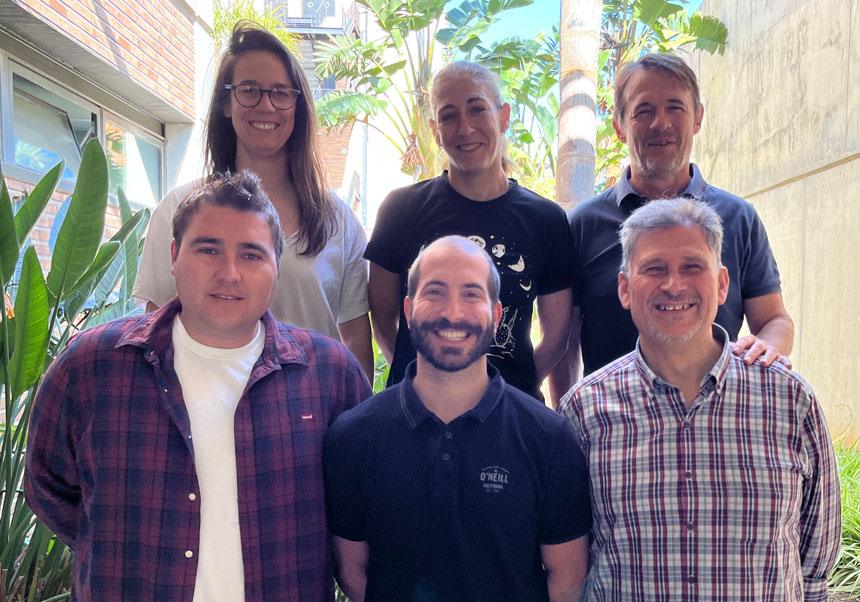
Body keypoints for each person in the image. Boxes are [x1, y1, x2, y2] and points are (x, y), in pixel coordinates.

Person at [25, 171, 372, 602]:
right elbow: (49, 488)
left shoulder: (331, 376)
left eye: (251, 255)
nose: (229, 273)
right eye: (208, 249)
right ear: (173, 255)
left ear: (276, 268)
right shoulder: (91, 366)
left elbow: (359, 504)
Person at [558, 198, 840, 601]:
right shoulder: (584, 412)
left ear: (722, 283)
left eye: (692, 266)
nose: (674, 285)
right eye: (654, 268)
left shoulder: (790, 402)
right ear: (624, 288)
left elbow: (815, 559)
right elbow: (570, 561)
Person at [325, 236, 591, 602]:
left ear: (496, 315)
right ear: (408, 309)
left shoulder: (549, 438)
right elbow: (353, 575)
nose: (453, 312)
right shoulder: (353, 437)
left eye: (471, 294)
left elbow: (568, 578)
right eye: (434, 292)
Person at [134, 20, 373, 379]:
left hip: (310, 418)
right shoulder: (180, 208)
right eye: (249, 90)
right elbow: (157, 326)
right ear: (226, 104)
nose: (266, 105)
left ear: (298, 105)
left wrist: (351, 423)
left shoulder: (337, 220)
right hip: (205, 413)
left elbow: (354, 338)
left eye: (281, 92)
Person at [552, 52, 793, 395]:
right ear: (620, 126)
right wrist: (567, 420)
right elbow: (565, 340)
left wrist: (766, 350)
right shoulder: (582, 226)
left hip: (720, 422)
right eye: (644, 110)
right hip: (617, 430)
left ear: (698, 118)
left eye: (675, 107)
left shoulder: (739, 219)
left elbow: (773, 319)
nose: (660, 124)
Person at [365, 60, 574, 401]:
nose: (465, 127)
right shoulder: (400, 209)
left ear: (503, 117)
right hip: (417, 413)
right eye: (449, 116)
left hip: (509, 414)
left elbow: (557, 335)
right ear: (435, 131)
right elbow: (383, 320)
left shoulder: (546, 219)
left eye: (477, 109)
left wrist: (510, 389)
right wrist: (430, 381)